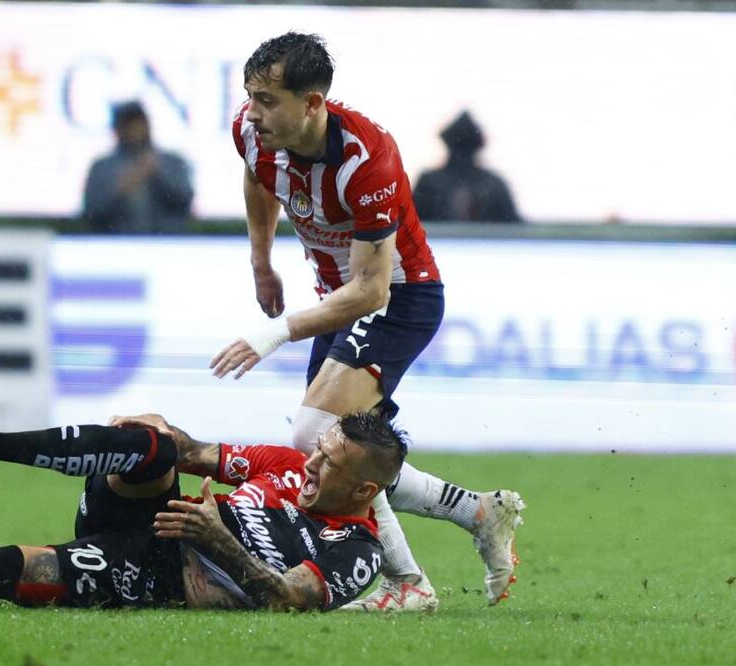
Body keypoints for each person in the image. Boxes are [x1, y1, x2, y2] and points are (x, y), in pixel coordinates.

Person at [209, 32, 524, 611]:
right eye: (250, 97)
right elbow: (258, 177)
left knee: (315, 438)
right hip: (337, 299)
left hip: (398, 299)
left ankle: (410, 583)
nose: (253, 113)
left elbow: (372, 290)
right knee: (333, 451)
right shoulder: (252, 133)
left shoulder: (366, 158)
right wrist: (261, 262)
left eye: (268, 100)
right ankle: (476, 513)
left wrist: (274, 333)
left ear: (312, 103)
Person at [0, 386, 406, 612]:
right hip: (156, 516)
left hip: (157, 572)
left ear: (366, 490)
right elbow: (193, 452)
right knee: (154, 447)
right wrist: (153, 427)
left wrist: (215, 538)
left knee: (3, 567)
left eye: (329, 462)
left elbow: (290, 600)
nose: (311, 462)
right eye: (319, 449)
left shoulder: (356, 549)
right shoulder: (290, 465)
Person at [81, 101, 194, 234]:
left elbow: (185, 202)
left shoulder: (172, 161)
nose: (135, 130)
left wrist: (157, 175)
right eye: (128, 125)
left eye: (139, 123)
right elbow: (91, 212)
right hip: (117, 242)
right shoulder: (101, 167)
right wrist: (120, 189)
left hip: (165, 241)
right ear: (118, 129)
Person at [412, 110, 521, 223]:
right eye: (459, 146)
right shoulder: (429, 183)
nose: (461, 154)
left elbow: (513, 227)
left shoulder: (494, 186)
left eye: (466, 147)